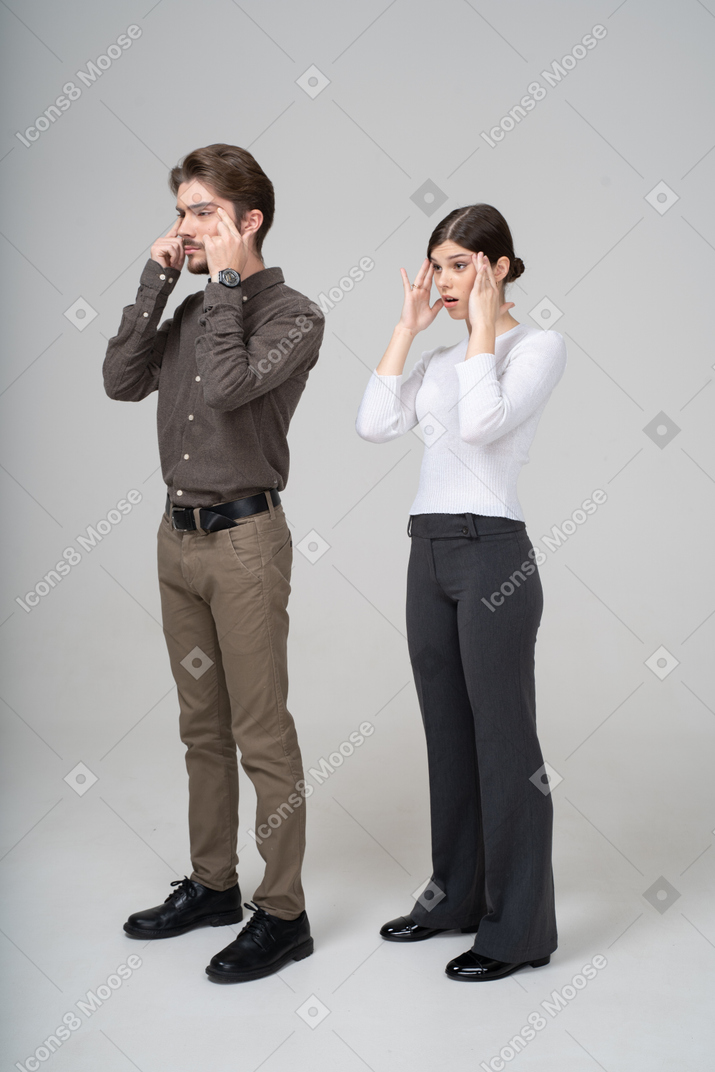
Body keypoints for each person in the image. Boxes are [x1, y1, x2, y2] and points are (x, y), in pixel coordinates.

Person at [103, 143, 324, 983]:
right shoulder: (191, 310)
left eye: (199, 212)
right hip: (178, 543)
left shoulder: (295, 316)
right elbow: (121, 379)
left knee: (259, 732)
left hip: (244, 547)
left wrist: (222, 285)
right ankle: (211, 885)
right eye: (181, 211)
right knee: (201, 728)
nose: (183, 227)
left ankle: (284, 913)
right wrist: (159, 283)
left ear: (248, 219)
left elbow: (231, 389)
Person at [355, 204, 566, 981]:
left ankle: (518, 932)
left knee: (504, 742)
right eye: (435, 265)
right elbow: (374, 424)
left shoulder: (536, 346)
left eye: (457, 264)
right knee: (447, 734)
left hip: (492, 556)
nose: (442, 280)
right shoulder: (442, 359)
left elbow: (481, 426)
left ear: (499, 267)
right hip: (428, 551)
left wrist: (479, 327)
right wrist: (409, 329)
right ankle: (453, 898)